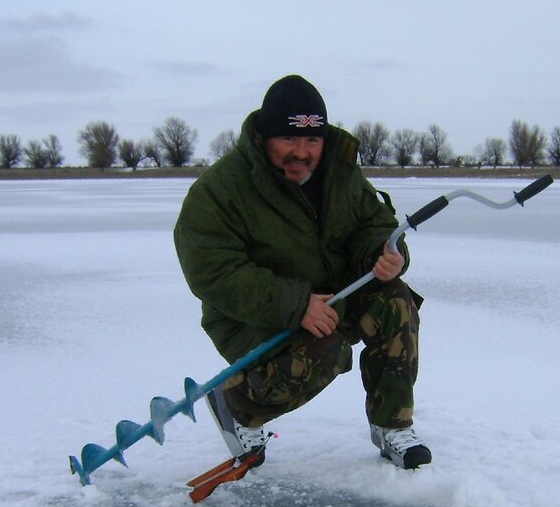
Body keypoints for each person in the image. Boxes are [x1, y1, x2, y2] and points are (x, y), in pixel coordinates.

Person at [174, 74, 430, 470]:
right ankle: (237, 405)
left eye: (312, 140)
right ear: (264, 137)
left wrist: (382, 253)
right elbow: (211, 270)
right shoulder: (221, 189)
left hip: (333, 296)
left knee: (394, 301)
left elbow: (373, 224)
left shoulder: (340, 173)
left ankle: (390, 424)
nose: (302, 152)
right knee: (324, 351)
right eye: (289, 139)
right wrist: (295, 305)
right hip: (254, 316)